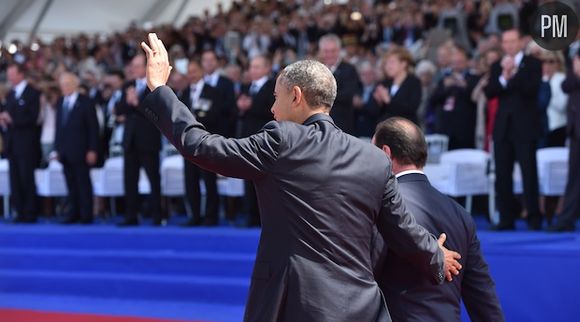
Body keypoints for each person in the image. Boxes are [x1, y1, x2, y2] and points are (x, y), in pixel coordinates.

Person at [139, 33, 461, 322]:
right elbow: (402, 230)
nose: (272, 110)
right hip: (363, 308)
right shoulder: (374, 159)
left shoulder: (282, 140)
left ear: (296, 95)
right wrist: (437, 256)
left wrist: (161, 90)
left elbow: (202, 146)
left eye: (276, 98)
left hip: (295, 305)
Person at [372, 117, 505, 322]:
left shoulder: (381, 206)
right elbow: (482, 295)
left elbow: (366, 274)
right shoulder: (459, 213)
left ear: (385, 154)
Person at [484, 29, 543, 231]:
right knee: (502, 175)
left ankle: (534, 218)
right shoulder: (496, 66)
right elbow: (490, 91)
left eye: (512, 41)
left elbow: (530, 90)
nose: (508, 45)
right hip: (502, 127)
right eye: (505, 41)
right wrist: (503, 77)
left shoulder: (533, 63)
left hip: (525, 127)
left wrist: (512, 75)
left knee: (529, 173)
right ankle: (506, 218)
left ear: (520, 42)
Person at [116, 54, 162, 226]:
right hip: (130, 140)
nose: (133, 69)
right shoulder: (128, 86)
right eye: (132, 65)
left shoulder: (155, 86)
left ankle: (157, 215)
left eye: (137, 65)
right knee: (130, 180)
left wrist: (136, 103)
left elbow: (155, 113)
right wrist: (129, 103)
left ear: (146, 67)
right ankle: (131, 215)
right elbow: (119, 109)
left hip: (148, 140)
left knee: (153, 179)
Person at [178, 59, 222, 226]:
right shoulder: (184, 93)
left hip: (207, 141)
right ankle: (195, 215)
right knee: (191, 180)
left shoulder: (213, 91)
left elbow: (217, 115)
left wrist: (199, 117)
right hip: (188, 143)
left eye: (194, 71)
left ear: (202, 71)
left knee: (209, 180)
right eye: (189, 72)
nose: (191, 75)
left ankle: (211, 216)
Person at [53, 72, 99, 224]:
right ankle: (73, 213)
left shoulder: (86, 102)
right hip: (65, 151)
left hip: (82, 150)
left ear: (75, 85)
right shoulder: (60, 102)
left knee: (83, 183)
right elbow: (59, 128)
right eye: (62, 85)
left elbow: (93, 128)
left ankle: (86, 215)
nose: (64, 88)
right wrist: (57, 149)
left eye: (66, 84)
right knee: (70, 184)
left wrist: (93, 149)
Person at [236, 55, 276, 227]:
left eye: (257, 67)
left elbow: (273, 110)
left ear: (267, 68)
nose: (253, 70)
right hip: (247, 138)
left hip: (266, 139)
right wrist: (240, 107)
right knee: (248, 177)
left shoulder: (272, 86)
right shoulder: (246, 86)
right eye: (251, 67)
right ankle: (250, 215)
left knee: (265, 180)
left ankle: (265, 218)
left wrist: (251, 106)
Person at [0, 63, 41, 223]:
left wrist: (13, 120)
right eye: (8, 74)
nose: (9, 77)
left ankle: (30, 212)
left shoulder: (32, 93)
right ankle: (20, 211)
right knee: (15, 179)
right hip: (11, 143)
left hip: (26, 144)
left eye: (12, 74)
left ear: (20, 74)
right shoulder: (10, 95)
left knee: (26, 178)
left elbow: (33, 118)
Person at [547, 52, 580, 232]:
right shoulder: (574, 60)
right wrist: (576, 72)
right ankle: (566, 220)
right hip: (575, 130)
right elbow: (566, 86)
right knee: (574, 178)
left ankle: (566, 219)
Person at [430, 46, 481, 150]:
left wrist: (464, 86)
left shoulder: (474, 78)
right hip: (445, 128)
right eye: (454, 62)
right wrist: (445, 87)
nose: (457, 65)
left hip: (465, 129)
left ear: (467, 62)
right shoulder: (444, 78)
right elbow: (433, 100)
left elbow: (476, 100)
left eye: (460, 62)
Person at [318, 34, 361, 134]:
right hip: (320, 126)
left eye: (332, 51)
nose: (329, 54)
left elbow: (347, 95)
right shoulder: (317, 69)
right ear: (321, 52)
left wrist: (320, 95)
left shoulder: (349, 69)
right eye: (326, 51)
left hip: (341, 125)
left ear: (339, 51)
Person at [373, 46, 422, 125]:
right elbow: (377, 112)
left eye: (392, 62)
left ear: (403, 64)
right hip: (386, 128)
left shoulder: (414, 82)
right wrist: (378, 102)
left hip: (406, 129)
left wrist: (388, 100)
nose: (388, 66)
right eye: (386, 63)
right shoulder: (384, 83)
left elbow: (411, 108)